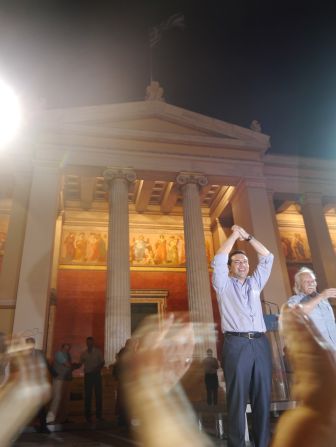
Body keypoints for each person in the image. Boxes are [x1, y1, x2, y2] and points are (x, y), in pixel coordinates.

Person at [211, 224, 274, 447]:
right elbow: (219, 257)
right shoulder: (223, 285)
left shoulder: (255, 283)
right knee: (237, 399)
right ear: (229, 267)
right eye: (237, 261)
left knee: (262, 398)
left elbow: (267, 256)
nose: (243, 265)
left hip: (260, 343)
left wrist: (247, 237)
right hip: (236, 344)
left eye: (245, 262)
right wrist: (233, 236)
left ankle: (262, 443)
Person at [287, 266, 336, 348]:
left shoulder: (324, 300)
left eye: (313, 281)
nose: (311, 284)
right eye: (306, 282)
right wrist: (321, 297)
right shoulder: (294, 300)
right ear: (299, 285)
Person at [25, 337, 51, 434]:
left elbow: (46, 366)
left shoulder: (40, 353)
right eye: (28, 344)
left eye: (31, 344)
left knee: (41, 407)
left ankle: (43, 427)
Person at [47, 343, 75, 424]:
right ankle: (50, 419)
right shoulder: (59, 354)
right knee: (57, 398)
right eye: (65, 348)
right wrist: (75, 366)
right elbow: (66, 364)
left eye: (68, 348)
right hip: (58, 379)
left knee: (65, 399)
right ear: (62, 348)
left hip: (66, 379)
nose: (66, 350)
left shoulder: (67, 354)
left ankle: (64, 418)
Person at [79, 336, 104, 422]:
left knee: (98, 395)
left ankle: (99, 416)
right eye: (88, 342)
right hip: (88, 375)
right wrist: (73, 366)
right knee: (88, 395)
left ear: (93, 343)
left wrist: (98, 368)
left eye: (90, 342)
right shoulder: (84, 353)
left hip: (97, 375)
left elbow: (102, 362)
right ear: (86, 343)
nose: (89, 343)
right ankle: (87, 416)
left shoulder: (98, 352)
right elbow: (80, 363)